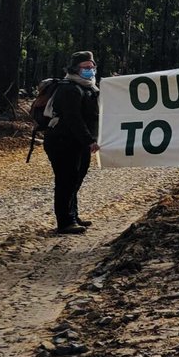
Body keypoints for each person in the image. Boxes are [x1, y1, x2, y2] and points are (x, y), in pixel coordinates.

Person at [43, 50, 101, 234]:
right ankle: (65, 222)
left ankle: (73, 216)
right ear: (75, 69)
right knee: (66, 180)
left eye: (92, 67)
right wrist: (89, 140)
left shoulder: (88, 87)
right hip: (62, 142)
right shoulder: (69, 88)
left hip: (77, 142)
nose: (90, 70)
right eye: (86, 67)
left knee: (76, 178)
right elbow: (73, 118)